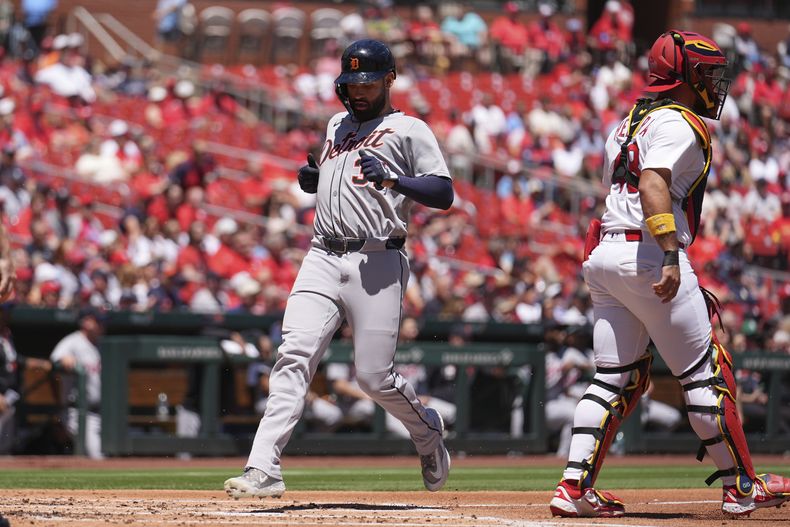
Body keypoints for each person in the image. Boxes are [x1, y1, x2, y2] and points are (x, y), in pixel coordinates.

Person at [549, 30, 790, 518]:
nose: (713, 83)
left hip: (607, 255)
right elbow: (654, 184)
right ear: (684, 73)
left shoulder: (626, 123)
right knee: (706, 374)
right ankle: (741, 487)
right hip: (647, 254)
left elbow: (614, 188)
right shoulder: (679, 121)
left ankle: (574, 487)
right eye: (706, 73)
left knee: (613, 378)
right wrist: (669, 253)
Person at [224, 39, 453, 499]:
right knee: (293, 354)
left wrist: (394, 179)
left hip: (377, 260)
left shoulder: (409, 129)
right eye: (352, 83)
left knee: (373, 377)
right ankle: (263, 467)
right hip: (322, 256)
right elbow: (342, 179)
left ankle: (427, 432)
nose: (358, 91)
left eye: (367, 82)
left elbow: (442, 193)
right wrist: (317, 180)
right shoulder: (336, 124)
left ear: (389, 79)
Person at [50, 307, 104, 459]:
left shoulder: (101, 344)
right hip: (78, 412)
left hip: (102, 412)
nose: (102, 325)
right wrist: (64, 360)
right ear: (86, 322)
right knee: (98, 454)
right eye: (98, 321)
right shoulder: (72, 342)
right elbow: (55, 360)